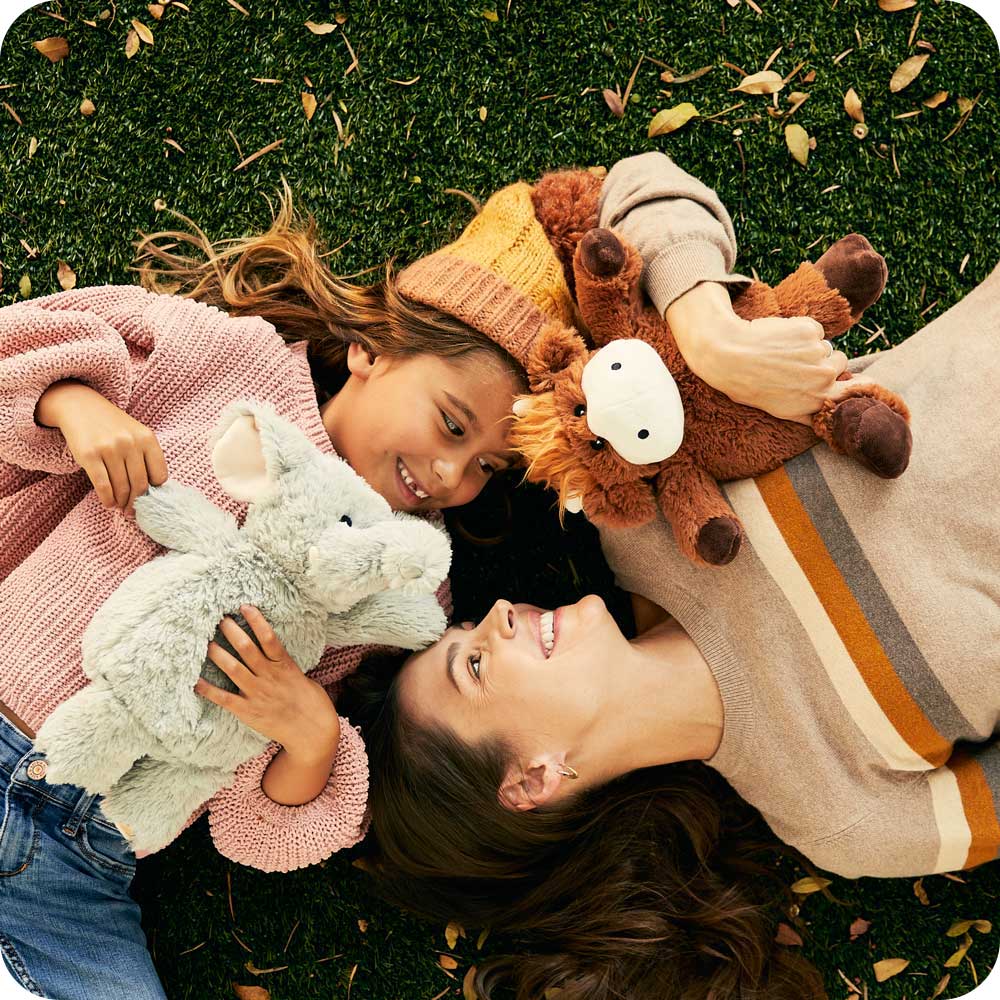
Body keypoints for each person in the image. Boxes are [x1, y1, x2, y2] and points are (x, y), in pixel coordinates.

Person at [0, 151, 848, 1000]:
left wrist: (311, 736)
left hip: (77, 861)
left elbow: (260, 831)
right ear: (371, 351)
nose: (450, 475)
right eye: (451, 424)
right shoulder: (232, 365)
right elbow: (27, 345)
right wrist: (75, 406)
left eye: (485, 466)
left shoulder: (409, 588)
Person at [339, 258, 1000, 1000]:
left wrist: (711, 332)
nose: (494, 616)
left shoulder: (639, 513)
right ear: (533, 778)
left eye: (467, 628)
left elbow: (631, 221)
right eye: (475, 666)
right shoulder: (840, 819)